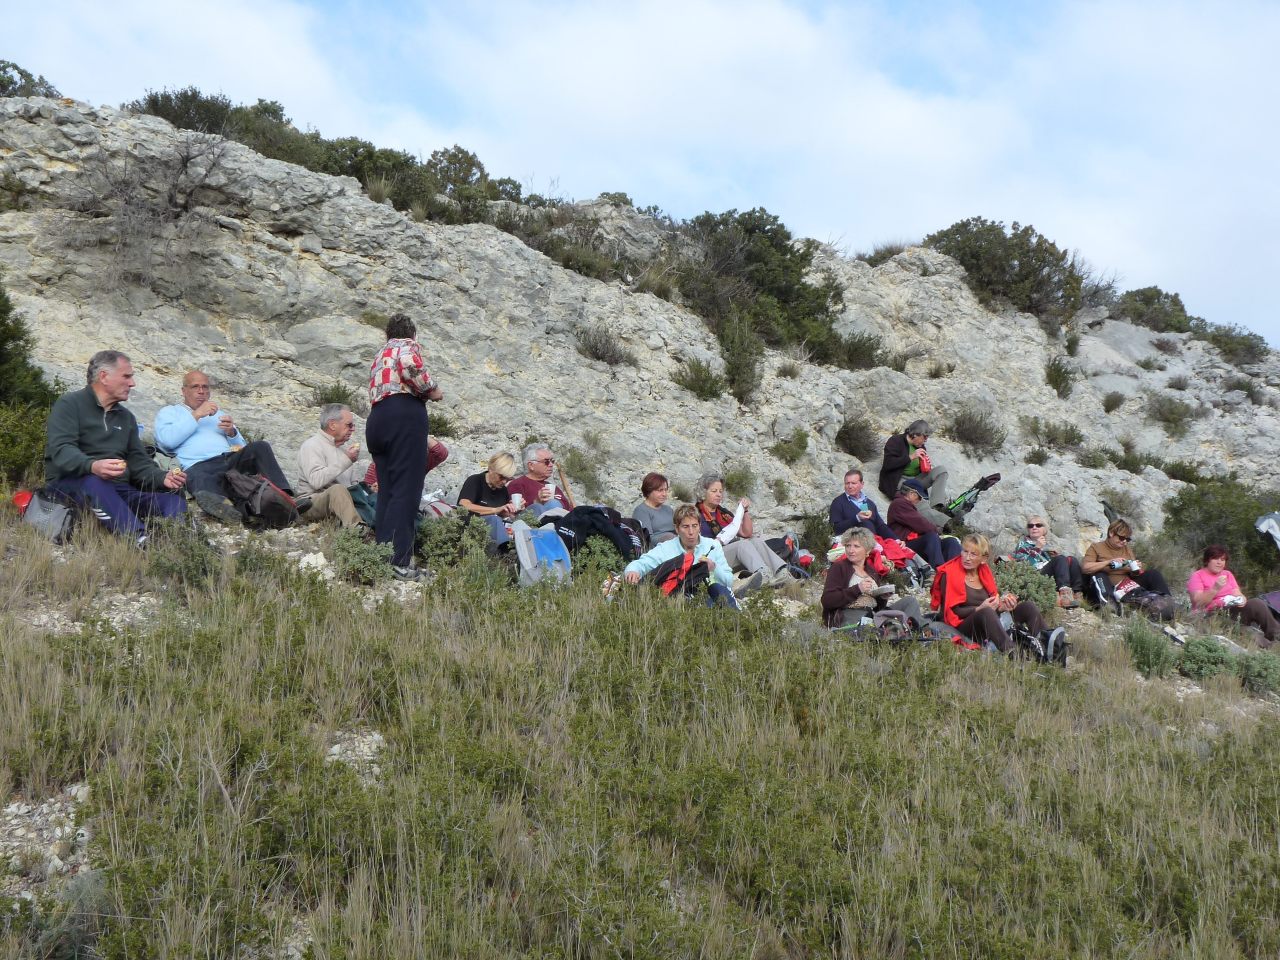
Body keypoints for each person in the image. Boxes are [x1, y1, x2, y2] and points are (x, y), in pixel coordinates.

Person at [44, 350, 187, 544]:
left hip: (119, 490)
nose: (132, 383)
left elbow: (139, 464)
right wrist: (93, 466)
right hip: (71, 486)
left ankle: (181, 543)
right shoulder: (69, 404)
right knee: (94, 483)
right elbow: (60, 450)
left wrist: (163, 478)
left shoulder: (126, 418)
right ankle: (138, 539)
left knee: (173, 501)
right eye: (126, 376)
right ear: (104, 376)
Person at [154, 369, 300, 524]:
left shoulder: (218, 413)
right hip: (198, 465)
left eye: (205, 387)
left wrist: (232, 433)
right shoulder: (169, 412)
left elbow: (241, 447)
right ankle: (238, 512)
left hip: (228, 459)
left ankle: (285, 496)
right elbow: (167, 442)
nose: (201, 391)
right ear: (184, 391)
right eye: (195, 387)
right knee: (199, 480)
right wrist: (196, 415)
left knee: (260, 447)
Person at [365, 313, 442, 581]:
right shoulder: (406, 346)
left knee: (388, 491)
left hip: (377, 420)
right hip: (403, 418)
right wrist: (433, 390)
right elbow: (412, 368)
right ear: (413, 333)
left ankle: (381, 556)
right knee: (407, 490)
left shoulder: (379, 356)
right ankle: (399, 561)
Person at [932, 533, 1062, 655]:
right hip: (963, 625)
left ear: (983, 558)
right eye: (965, 552)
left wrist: (1002, 606)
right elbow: (952, 612)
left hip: (988, 620)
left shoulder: (984, 571)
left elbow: (993, 602)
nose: (967, 557)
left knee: (1028, 607)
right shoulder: (949, 574)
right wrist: (979, 608)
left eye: (973, 554)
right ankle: (1012, 652)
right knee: (986, 612)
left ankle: (1050, 647)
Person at [623, 504, 739, 608]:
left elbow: (728, 581)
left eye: (694, 526)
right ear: (677, 529)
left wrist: (714, 569)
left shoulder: (712, 545)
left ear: (700, 526)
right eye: (685, 527)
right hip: (681, 597)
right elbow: (642, 563)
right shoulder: (667, 548)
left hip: (710, 593)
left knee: (719, 592)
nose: (691, 532)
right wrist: (632, 571)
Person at [694, 472, 791, 589]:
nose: (718, 494)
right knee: (741, 545)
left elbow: (746, 533)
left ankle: (781, 571)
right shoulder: (696, 514)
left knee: (755, 541)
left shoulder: (723, 514)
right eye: (714, 491)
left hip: (728, 553)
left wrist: (744, 511)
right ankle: (763, 575)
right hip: (711, 557)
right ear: (704, 492)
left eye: (720, 491)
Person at [821, 527, 924, 628]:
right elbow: (827, 601)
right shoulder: (839, 567)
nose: (851, 550)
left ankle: (912, 631)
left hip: (873, 614)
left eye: (856, 546)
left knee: (910, 601)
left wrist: (882, 597)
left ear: (867, 550)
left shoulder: (871, 571)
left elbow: (878, 607)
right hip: (850, 615)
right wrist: (858, 589)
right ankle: (901, 631)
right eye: (848, 546)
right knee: (880, 624)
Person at [1186, 545, 1278, 648]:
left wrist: (1241, 599)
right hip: (1210, 615)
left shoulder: (1227, 574)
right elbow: (1198, 603)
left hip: (1231, 610)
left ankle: (1276, 636)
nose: (1219, 562)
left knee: (1257, 603)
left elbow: (1237, 593)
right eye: (1215, 558)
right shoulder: (1197, 576)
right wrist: (1215, 589)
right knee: (1246, 631)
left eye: (1223, 559)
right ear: (1207, 560)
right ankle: (1272, 648)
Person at [295, 403, 366, 530]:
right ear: (333, 425)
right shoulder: (312, 445)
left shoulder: (344, 451)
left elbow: (353, 485)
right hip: (311, 503)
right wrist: (347, 460)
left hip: (341, 504)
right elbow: (316, 480)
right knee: (337, 490)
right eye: (349, 425)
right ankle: (357, 530)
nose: (353, 429)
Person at [878, 419, 949, 526]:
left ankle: (938, 506)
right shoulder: (896, 441)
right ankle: (945, 522)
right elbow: (888, 464)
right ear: (915, 434)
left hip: (916, 480)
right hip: (899, 481)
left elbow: (921, 469)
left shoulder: (921, 447)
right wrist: (911, 457)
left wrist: (925, 466)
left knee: (941, 470)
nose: (925, 440)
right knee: (917, 500)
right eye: (924, 437)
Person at [1082, 519, 1171, 599]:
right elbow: (1086, 568)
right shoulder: (1096, 547)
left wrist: (1135, 569)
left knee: (1153, 574)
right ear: (1111, 533)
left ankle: (1167, 602)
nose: (1124, 541)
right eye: (1121, 538)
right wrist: (1108, 562)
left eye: (1127, 539)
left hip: (1127, 586)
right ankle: (1109, 603)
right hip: (1108, 586)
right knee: (1100, 575)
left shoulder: (1126, 549)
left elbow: (1134, 574)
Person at [886, 478, 960, 570]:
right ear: (911, 494)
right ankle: (939, 571)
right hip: (904, 545)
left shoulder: (905, 505)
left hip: (915, 542)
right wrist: (936, 530)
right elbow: (921, 524)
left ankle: (954, 573)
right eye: (919, 497)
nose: (920, 500)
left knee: (951, 542)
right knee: (931, 537)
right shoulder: (899, 504)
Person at [1012, 514, 1084, 608]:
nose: (1034, 527)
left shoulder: (1047, 545)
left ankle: (1076, 593)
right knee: (1060, 559)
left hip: (1049, 576)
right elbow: (1024, 566)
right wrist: (1037, 548)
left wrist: (1052, 557)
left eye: (1038, 525)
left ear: (1044, 529)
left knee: (1071, 560)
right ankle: (1064, 595)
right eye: (1031, 526)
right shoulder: (1022, 545)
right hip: (1034, 576)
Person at [457, 452, 519, 548]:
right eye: (501, 477)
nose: (504, 482)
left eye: (508, 479)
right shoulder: (475, 481)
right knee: (494, 519)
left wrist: (511, 512)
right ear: (491, 469)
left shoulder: (503, 490)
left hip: (493, 533)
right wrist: (495, 510)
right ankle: (506, 551)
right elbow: (464, 504)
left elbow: (503, 515)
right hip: (471, 529)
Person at [506, 444, 576, 517]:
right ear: (531, 465)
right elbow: (516, 514)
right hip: (534, 524)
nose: (551, 465)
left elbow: (569, 510)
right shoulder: (518, 484)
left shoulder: (553, 487)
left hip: (561, 523)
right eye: (546, 462)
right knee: (553, 504)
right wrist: (537, 502)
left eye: (552, 461)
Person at [829, 468, 893, 538]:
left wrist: (896, 539)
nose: (850, 486)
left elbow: (880, 526)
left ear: (862, 484)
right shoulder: (838, 502)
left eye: (853, 483)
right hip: (853, 544)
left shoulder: (869, 503)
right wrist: (857, 518)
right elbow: (835, 529)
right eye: (847, 483)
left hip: (873, 542)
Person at [632, 472, 676, 543]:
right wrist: (668, 538)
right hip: (659, 549)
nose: (664, 494)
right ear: (649, 491)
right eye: (660, 490)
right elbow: (647, 539)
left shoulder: (668, 509)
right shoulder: (641, 511)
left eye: (665, 490)